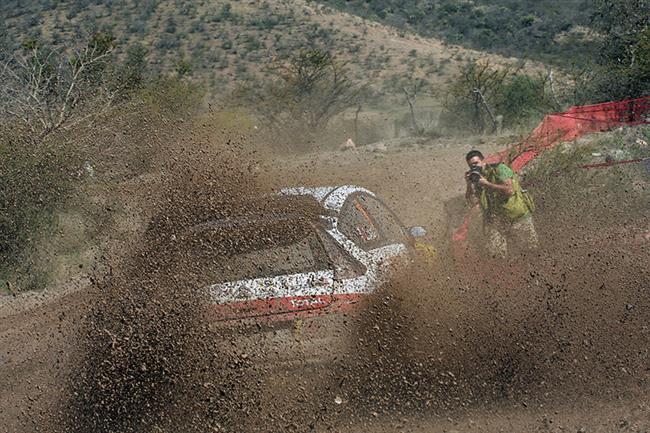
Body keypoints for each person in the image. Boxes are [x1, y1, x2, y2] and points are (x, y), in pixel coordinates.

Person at [464, 150, 538, 259]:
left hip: (517, 217)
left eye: (476, 163)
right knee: (495, 256)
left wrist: (487, 183)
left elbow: (509, 190)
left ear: (483, 161)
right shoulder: (477, 179)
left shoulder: (499, 169)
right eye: (471, 166)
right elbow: (471, 201)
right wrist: (469, 184)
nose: (474, 167)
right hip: (497, 221)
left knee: (531, 251)